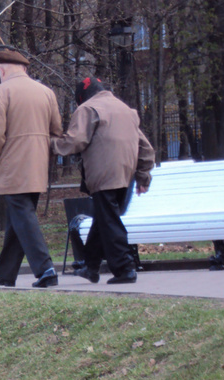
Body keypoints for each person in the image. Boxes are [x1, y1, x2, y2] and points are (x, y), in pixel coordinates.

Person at [51, 77, 155, 284]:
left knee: (109, 221)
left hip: (104, 174)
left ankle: (125, 268)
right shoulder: (125, 110)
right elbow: (146, 148)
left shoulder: (87, 109)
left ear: (82, 97)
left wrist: (51, 144)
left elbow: (75, 141)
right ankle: (90, 267)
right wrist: (143, 175)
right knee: (103, 218)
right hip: (125, 174)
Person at [0, 48, 62, 288]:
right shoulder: (46, 93)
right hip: (37, 165)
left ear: (2, 70)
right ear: (24, 69)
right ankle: (6, 272)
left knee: (23, 216)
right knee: (19, 217)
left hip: (11, 166)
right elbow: (56, 129)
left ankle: (45, 268)